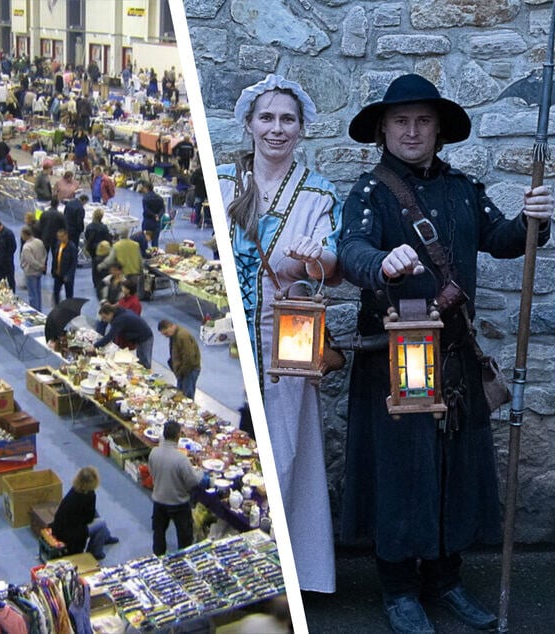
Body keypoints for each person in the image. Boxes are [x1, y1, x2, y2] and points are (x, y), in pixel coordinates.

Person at [336, 74, 554, 633]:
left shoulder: (462, 188)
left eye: (423, 121)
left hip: (453, 357)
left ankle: (445, 578)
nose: (413, 131)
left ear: (438, 130)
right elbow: (352, 249)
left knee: (451, 471)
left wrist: (535, 217)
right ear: (383, 129)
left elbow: (504, 238)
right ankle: (399, 590)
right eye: (401, 121)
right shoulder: (370, 193)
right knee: (401, 474)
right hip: (395, 359)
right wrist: (379, 263)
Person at [216, 75, 341, 594]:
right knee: (231, 452)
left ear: (301, 129)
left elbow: (334, 266)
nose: (276, 128)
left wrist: (316, 257)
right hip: (228, 337)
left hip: (287, 341)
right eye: (266, 118)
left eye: (287, 119)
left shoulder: (318, 192)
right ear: (248, 124)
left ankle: (288, 578)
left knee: (287, 453)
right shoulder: (223, 181)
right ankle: (238, 563)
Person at [147, 421, 205, 556]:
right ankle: (183, 563)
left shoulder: (154, 452)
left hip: (159, 500)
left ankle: (158, 557)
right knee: (184, 538)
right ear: (178, 436)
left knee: (159, 532)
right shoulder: (181, 459)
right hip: (178, 503)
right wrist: (200, 471)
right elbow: (193, 482)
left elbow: (152, 472)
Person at [49, 466, 118, 561]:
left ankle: (105, 536)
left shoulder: (74, 490)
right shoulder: (89, 496)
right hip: (70, 534)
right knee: (101, 524)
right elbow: (88, 519)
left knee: (96, 514)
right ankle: (95, 552)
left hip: (59, 528)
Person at [89, 304, 154, 369]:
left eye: (104, 317)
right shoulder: (118, 312)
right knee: (140, 359)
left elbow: (110, 336)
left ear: (110, 314)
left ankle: (148, 376)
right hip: (139, 336)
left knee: (145, 361)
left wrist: (95, 345)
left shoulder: (119, 319)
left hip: (145, 337)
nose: (104, 320)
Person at [158, 319, 201, 399]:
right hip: (182, 370)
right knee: (180, 393)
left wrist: (181, 372)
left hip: (189, 370)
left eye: (166, 333)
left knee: (187, 396)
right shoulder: (173, 335)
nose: (166, 336)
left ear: (170, 326)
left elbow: (189, 358)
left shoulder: (182, 336)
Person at [19, 225, 47, 311]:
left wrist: (38, 266)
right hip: (39, 272)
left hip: (31, 272)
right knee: (38, 293)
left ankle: (35, 312)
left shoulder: (26, 247)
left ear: (25, 234)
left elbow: (31, 261)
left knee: (32, 295)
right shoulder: (39, 242)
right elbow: (44, 254)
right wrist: (42, 266)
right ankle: (39, 310)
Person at [51, 228, 77, 305]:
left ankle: (69, 309)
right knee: (56, 293)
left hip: (67, 275)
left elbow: (74, 263)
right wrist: (53, 270)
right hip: (58, 274)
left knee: (69, 295)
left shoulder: (72, 247)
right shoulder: (58, 244)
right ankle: (57, 307)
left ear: (66, 235)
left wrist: (69, 275)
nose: (60, 238)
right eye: (59, 237)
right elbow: (55, 258)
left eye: (62, 236)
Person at [139, 180, 165, 248]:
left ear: (146, 188)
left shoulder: (145, 198)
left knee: (144, 240)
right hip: (157, 222)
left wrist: (153, 215)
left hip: (148, 221)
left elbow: (146, 210)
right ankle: (155, 255)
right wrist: (158, 216)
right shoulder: (160, 198)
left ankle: (145, 254)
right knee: (155, 241)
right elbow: (163, 209)